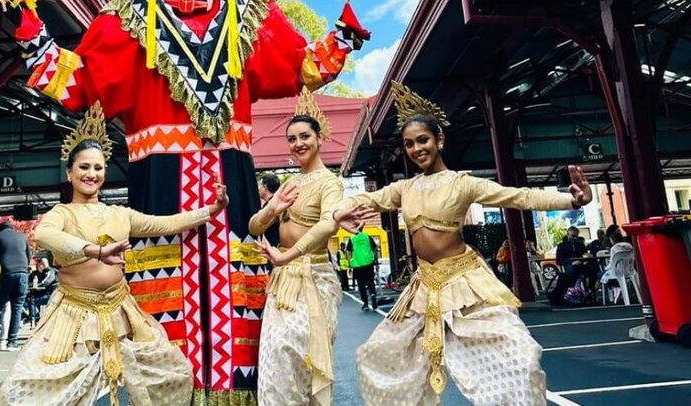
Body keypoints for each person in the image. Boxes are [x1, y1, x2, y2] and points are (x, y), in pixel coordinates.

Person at [0, 0, 365, 403]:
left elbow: (303, 67)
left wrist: (344, 33)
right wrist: (35, 37)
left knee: (239, 308)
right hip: (160, 191)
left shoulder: (251, 16)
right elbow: (80, 81)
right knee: (163, 318)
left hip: (232, 184)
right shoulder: (130, 20)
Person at [331, 82, 592, 406]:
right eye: (409, 144)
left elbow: (519, 196)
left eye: (423, 140)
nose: (416, 149)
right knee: (377, 357)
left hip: (465, 282)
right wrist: (341, 208)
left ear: (439, 140)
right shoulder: (405, 189)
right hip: (423, 287)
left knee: (518, 356)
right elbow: (368, 197)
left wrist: (572, 200)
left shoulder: (463, 183)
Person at [0, 102, 231, 405]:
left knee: (169, 373)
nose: (91, 174)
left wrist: (213, 209)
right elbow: (43, 234)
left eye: (98, 167)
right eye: (83, 167)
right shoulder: (62, 213)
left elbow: (167, 223)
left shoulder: (120, 214)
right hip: (73, 316)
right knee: (30, 390)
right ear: (70, 173)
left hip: (121, 310)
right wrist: (96, 251)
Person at [250, 98, 368, 406]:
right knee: (275, 357)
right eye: (292, 138)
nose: (298, 143)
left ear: (319, 139)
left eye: (305, 136)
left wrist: (287, 256)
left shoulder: (330, 184)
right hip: (283, 280)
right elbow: (253, 228)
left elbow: (329, 224)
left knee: (303, 355)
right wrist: (271, 209)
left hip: (314, 278)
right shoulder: (291, 183)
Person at [0, 221, 31, 351]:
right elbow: (28, 257)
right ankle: (12, 342)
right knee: (17, 309)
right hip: (22, 274)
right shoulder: (22, 237)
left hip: (5, 274)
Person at [348, 226, 379, 311]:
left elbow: (349, 252)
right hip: (368, 263)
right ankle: (372, 294)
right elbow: (375, 249)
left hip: (357, 265)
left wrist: (350, 264)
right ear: (362, 229)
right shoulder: (367, 237)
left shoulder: (352, 239)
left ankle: (365, 303)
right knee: (370, 281)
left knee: (361, 284)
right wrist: (375, 261)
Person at [26, 258, 57, 326]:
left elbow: (45, 283)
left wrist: (36, 286)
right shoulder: (36, 273)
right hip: (45, 293)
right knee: (30, 297)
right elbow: (29, 281)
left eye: (40, 264)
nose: (39, 266)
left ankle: (33, 320)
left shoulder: (50, 271)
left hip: (51, 295)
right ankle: (35, 318)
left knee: (32, 300)